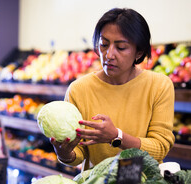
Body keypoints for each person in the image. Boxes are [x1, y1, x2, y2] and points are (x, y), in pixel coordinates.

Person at [50, 8, 175, 170]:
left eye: (121, 47)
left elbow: (160, 148)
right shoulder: (79, 89)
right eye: (104, 44)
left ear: (139, 52)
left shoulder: (159, 85)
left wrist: (117, 137)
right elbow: (79, 150)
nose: (109, 55)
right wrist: (65, 153)